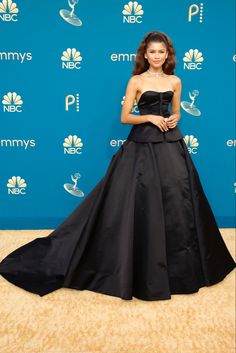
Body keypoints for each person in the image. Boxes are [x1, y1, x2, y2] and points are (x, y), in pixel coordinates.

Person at [0, 31, 235, 301]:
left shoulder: (175, 80)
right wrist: (148, 117)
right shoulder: (135, 80)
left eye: (162, 52)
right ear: (145, 55)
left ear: (167, 55)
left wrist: (173, 118)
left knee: (177, 201)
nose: (157, 56)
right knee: (139, 201)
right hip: (141, 146)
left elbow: (177, 110)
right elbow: (125, 117)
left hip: (171, 143)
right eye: (153, 52)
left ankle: (180, 268)